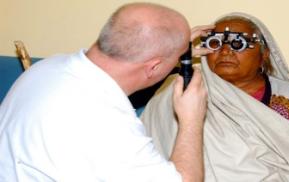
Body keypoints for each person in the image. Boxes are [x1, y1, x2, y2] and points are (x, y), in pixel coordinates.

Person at [0, 3, 208, 181]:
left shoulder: (49, 67)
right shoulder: (106, 122)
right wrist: (192, 118)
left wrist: (168, 52)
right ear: (153, 67)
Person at [141, 12, 289, 181]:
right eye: (216, 42)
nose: (226, 51)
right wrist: (173, 56)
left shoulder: (287, 96)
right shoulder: (183, 87)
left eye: (239, 43)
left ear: (264, 54)